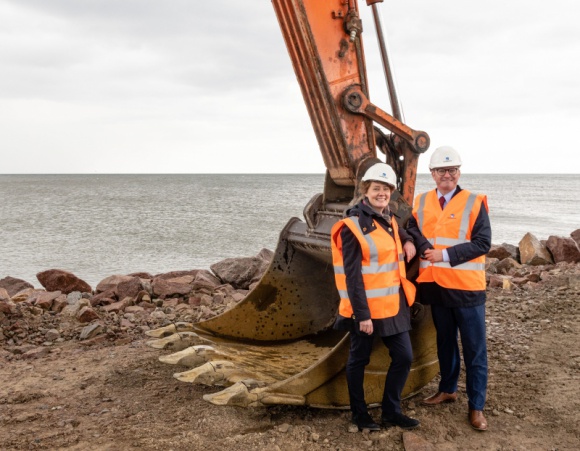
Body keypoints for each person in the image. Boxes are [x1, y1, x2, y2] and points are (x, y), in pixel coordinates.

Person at [330, 162, 420, 432]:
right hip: (366, 310)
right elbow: (352, 276)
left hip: (393, 306)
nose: (381, 192)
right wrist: (362, 315)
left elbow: (393, 230)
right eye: (376, 188)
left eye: (386, 188)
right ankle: (360, 415)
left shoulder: (389, 219)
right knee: (358, 360)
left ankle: (391, 411)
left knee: (404, 357)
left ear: (391, 192)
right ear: (365, 191)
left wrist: (408, 239)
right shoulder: (352, 226)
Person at [407, 146, 492, 431]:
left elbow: (482, 243)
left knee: (474, 350)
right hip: (436, 288)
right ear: (432, 174)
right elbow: (413, 229)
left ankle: (477, 407)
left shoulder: (474, 201)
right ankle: (448, 388)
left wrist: (443, 255)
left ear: (459, 173)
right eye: (442, 170)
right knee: (445, 343)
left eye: (452, 170)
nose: (447, 175)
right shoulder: (421, 201)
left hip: (467, 290)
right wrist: (414, 244)